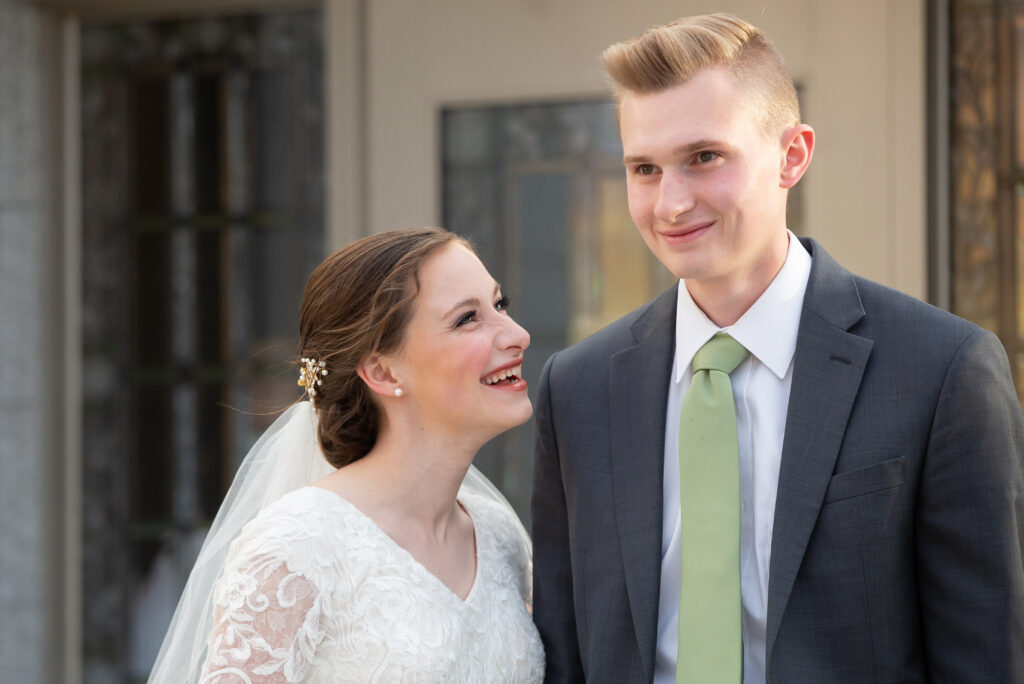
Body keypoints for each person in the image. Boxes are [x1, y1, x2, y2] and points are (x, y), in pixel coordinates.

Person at [531, 13, 1024, 684]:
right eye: (644, 168)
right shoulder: (577, 389)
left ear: (792, 155)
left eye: (704, 157)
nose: (670, 203)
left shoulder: (944, 370)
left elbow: (987, 658)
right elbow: (566, 654)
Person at [151, 228, 545, 682]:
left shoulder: (498, 536)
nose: (518, 334)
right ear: (381, 369)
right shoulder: (297, 547)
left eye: (500, 305)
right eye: (466, 319)